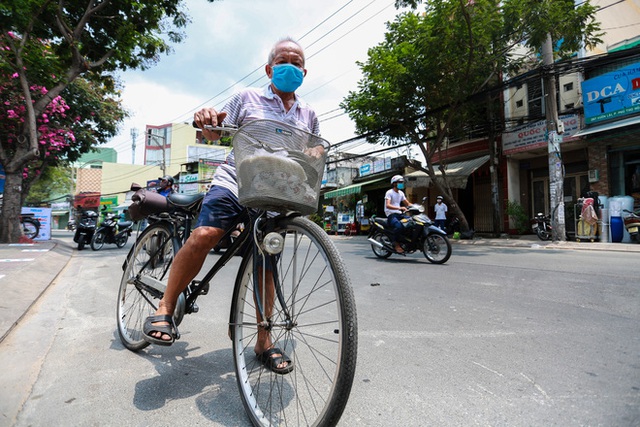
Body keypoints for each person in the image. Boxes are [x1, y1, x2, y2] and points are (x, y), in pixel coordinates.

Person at [142, 37, 319, 375]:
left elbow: (315, 150)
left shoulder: (309, 114)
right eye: (284, 61)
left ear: (304, 72)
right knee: (206, 234)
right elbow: (213, 132)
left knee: (266, 263)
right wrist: (207, 120)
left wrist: (316, 153)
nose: (290, 67)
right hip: (234, 182)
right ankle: (164, 307)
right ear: (269, 69)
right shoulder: (247, 97)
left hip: (276, 194)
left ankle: (263, 340)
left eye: (297, 63)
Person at [384, 175, 411, 253]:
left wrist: (417, 207)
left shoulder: (401, 193)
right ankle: (395, 243)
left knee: (411, 222)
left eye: (402, 182)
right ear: (394, 183)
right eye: (400, 182)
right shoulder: (389, 192)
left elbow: (408, 203)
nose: (401, 184)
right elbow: (388, 205)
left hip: (399, 214)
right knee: (399, 226)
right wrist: (400, 208)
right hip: (391, 215)